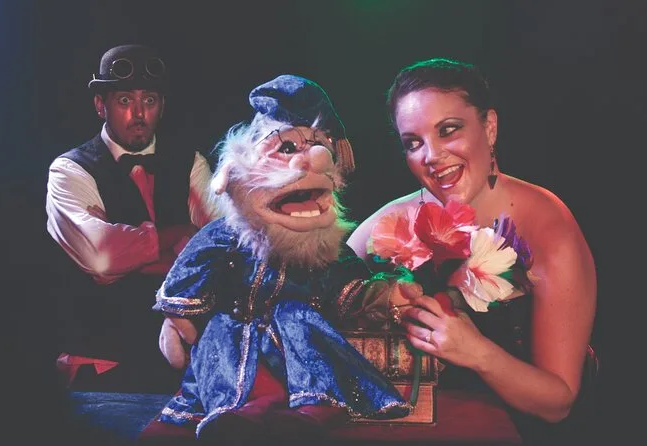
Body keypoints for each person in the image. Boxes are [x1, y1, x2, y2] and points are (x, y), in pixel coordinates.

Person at [153, 74, 416, 444]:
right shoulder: (224, 236)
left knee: (297, 316)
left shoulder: (322, 246)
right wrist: (178, 320)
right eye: (287, 148)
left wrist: (386, 294)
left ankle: (315, 403)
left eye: (320, 147)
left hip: (296, 342)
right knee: (221, 333)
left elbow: (348, 286)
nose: (313, 160)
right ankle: (234, 409)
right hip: (235, 333)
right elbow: (190, 274)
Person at [346, 58, 597, 443]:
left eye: (448, 130)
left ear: (489, 127)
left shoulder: (546, 225)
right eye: (413, 143)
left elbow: (558, 403)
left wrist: (476, 351)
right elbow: (321, 284)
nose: (431, 156)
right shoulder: (395, 221)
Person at [45, 44, 221, 393]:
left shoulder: (190, 162)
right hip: (101, 364)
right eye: (125, 100)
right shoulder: (69, 169)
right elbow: (101, 257)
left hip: (182, 362)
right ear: (101, 105)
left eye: (149, 100)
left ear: (162, 106)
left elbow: (223, 242)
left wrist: (136, 257)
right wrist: (180, 236)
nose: (139, 113)